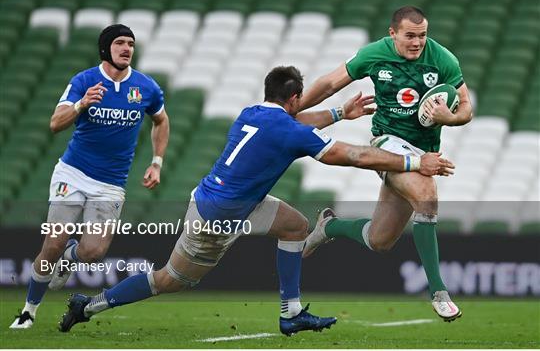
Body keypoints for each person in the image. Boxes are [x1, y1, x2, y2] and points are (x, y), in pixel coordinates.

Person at [58, 66, 453, 335]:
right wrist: (417, 161)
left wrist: (337, 111)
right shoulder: (286, 128)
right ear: (295, 97)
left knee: (297, 226)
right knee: (169, 281)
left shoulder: (253, 113)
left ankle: (292, 313)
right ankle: (89, 305)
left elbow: (295, 124)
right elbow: (355, 156)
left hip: (232, 201)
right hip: (216, 218)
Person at [300, 6, 473, 322]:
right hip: (387, 145)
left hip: (422, 148)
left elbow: (465, 107)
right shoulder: (374, 54)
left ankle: (330, 226)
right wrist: (293, 108)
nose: (417, 42)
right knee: (427, 195)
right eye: (410, 35)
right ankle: (439, 291)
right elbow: (329, 84)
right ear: (393, 33)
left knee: (379, 241)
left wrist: (451, 117)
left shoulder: (442, 59)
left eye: (422, 35)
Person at [10, 24, 170, 329]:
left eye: (131, 44)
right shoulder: (84, 80)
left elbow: (161, 120)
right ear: (105, 48)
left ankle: (71, 256)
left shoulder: (146, 87)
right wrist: (83, 103)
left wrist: (157, 162)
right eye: (120, 43)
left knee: (94, 252)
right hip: (73, 173)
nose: (127, 48)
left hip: (111, 182)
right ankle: (29, 310)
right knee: (52, 243)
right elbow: (56, 123)